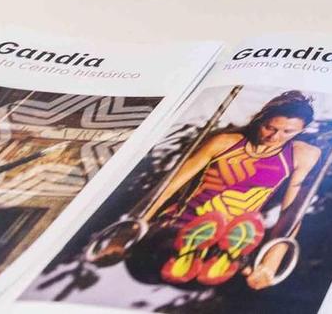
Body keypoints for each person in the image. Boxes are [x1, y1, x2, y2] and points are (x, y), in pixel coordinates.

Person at [127, 93, 320, 288]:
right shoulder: (225, 142)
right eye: (270, 127)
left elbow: (291, 214)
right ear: (261, 119)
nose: (275, 137)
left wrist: (270, 263)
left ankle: (218, 254)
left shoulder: (301, 155)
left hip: (235, 229)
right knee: (166, 245)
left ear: (302, 130)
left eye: (288, 131)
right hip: (187, 217)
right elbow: (169, 187)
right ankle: (205, 251)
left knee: (235, 240)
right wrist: (134, 225)